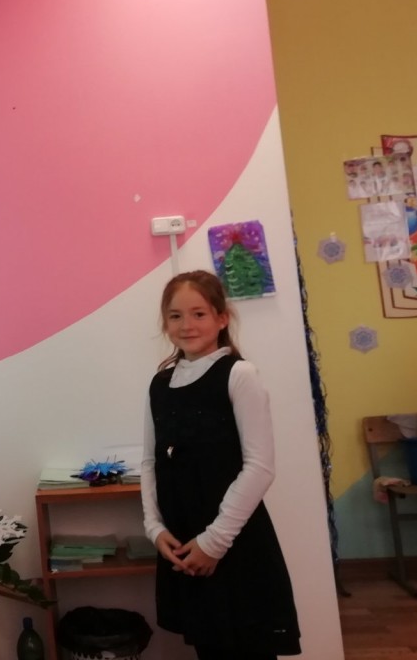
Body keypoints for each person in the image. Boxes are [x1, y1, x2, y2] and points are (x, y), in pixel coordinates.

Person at [140, 270, 301, 660]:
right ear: (165, 323)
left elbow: (260, 467)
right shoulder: (159, 384)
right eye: (175, 316)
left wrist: (213, 543)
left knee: (248, 648)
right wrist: (154, 527)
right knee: (210, 649)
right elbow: (149, 461)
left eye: (198, 314)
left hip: (231, 541)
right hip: (183, 542)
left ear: (222, 318)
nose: (187, 325)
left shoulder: (239, 375)